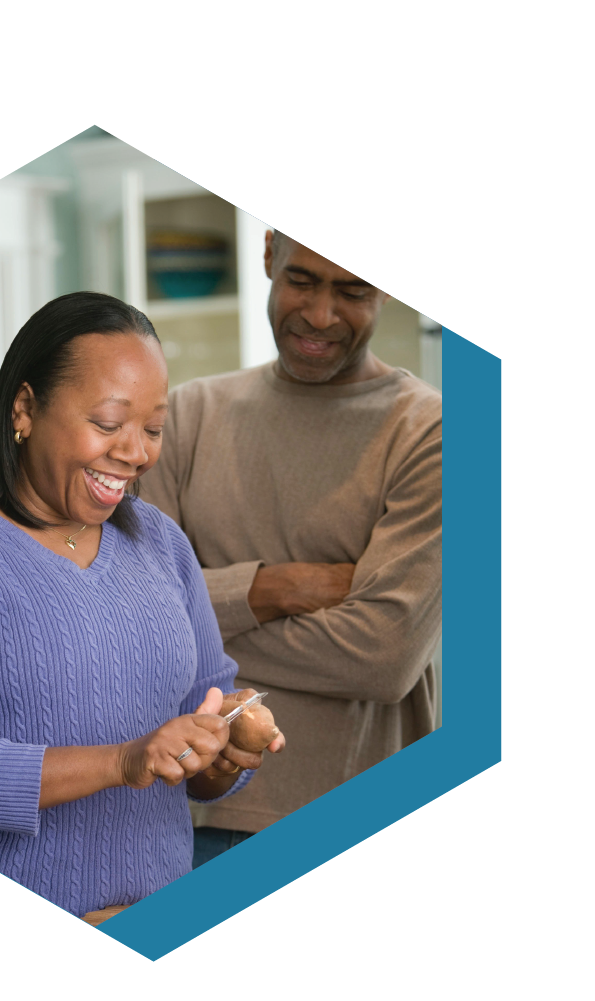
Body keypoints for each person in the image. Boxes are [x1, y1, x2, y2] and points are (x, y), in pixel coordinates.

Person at [0, 291, 285, 919]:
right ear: (24, 409)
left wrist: (228, 750)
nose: (136, 452)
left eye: (153, 429)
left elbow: (205, 722)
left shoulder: (160, 542)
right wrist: (122, 760)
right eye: (109, 424)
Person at [139, 230, 442, 863]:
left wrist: (197, 609)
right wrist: (272, 589)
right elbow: (134, 618)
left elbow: (383, 657)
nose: (321, 315)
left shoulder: (431, 434)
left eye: (352, 291)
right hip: (186, 813)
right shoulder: (189, 415)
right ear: (270, 255)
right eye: (302, 280)